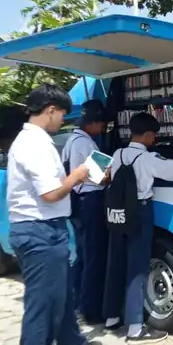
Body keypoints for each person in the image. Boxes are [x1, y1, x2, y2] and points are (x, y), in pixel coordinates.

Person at [7, 84, 103, 345]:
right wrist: (76, 177)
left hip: (49, 228)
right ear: (50, 110)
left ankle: (71, 343)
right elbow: (49, 193)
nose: (63, 120)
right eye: (62, 114)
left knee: (61, 293)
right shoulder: (31, 144)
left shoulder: (39, 141)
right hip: (37, 231)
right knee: (43, 300)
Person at [102, 112, 173, 343]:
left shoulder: (117, 154)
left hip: (116, 214)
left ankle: (112, 317)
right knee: (138, 268)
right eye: (154, 136)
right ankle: (135, 329)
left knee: (115, 263)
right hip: (139, 213)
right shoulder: (148, 159)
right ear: (149, 135)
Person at [61, 99, 110, 325]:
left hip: (77, 203)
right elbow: (102, 176)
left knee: (82, 255)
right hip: (90, 200)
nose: (102, 130)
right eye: (101, 125)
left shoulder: (71, 141)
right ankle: (91, 310)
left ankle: (77, 302)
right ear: (92, 123)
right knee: (94, 256)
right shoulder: (86, 144)